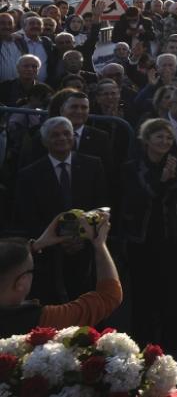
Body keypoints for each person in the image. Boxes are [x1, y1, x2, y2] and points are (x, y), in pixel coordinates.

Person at [119, 119, 177, 348]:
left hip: (173, 238)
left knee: (172, 291)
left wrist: (172, 180)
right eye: (159, 137)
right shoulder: (131, 167)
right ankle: (142, 341)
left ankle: (171, 342)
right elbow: (135, 198)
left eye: (168, 138)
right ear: (146, 140)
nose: (164, 142)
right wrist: (161, 180)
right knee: (143, 292)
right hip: (142, 238)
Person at [13, 117, 110, 304]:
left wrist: (82, 238)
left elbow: (101, 205)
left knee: (86, 306)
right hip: (49, 257)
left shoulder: (93, 165)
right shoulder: (29, 174)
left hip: (87, 250)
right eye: (55, 135)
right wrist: (60, 241)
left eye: (66, 133)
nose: (62, 138)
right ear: (44, 141)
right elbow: (28, 216)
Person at [0, 212, 121, 332]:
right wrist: (99, 244)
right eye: (31, 270)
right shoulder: (43, 320)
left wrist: (36, 246)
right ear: (20, 283)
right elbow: (108, 296)